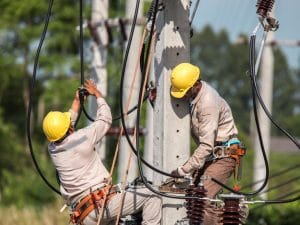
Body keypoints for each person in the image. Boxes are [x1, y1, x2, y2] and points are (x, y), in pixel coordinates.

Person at [42, 79, 162, 225]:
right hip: (101, 207)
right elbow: (105, 119)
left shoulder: (53, 149)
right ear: (69, 129)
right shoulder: (83, 139)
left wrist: (77, 101)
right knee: (153, 194)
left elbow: (66, 125)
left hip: (84, 216)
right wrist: (97, 94)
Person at [169, 63, 247, 225]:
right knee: (192, 197)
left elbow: (206, 146)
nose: (182, 97)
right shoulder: (195, 96)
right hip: (212, 156)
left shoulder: (208, 103)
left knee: (202, 199)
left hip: (224, 155)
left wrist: (183, 170)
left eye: (185, 92)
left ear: (195, 85)